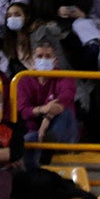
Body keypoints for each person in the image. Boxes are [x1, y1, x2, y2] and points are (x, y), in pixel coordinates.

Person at [16, 41, 78, 169]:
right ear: (33, 60)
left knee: (65, 112)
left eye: (48, 56)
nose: (43, 60)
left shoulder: (65, 76)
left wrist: (47, 118)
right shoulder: (23, 79)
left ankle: (48, 145)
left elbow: (66, 97)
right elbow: (23, 110)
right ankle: (33, 172)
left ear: (55, 60)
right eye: (39, 56)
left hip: (64, 132)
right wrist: (43, 109)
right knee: (26, 141)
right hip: (35, 132)